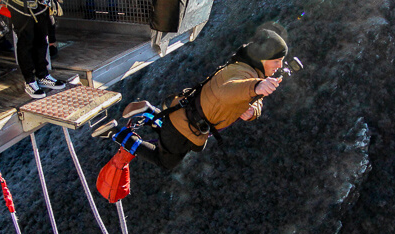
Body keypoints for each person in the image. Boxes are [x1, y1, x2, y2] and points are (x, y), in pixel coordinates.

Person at [92, 29, 288, 170]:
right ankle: (113, 132)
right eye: (276, 60)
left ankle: (148, 111)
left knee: (166, 137)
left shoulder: (247, 68)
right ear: (263, 57)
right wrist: (254, 88)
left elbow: (250, 97)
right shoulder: (243, 73)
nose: (279, 65)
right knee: (164, 161)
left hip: (184, 116)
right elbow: (227, 91)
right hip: (185, 127)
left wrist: (254, 110)